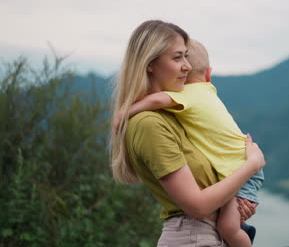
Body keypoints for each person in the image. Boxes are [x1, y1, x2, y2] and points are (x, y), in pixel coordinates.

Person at [110, 20, 265, 247]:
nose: (187, 66)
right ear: (149, 64)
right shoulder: (148, 123)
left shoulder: (177, 115)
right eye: (177, 58)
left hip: (208, 235)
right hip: (192, 237)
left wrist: (237, 203)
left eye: (186, 56)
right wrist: (251, 165)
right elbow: (198, 207)